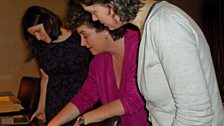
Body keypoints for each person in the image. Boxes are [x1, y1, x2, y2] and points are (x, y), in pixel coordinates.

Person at [75, 0, 224, 125]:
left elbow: (196, 114)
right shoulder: (149, 26)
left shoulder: (165, 23)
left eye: (94, 11)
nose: (94, 18)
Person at [47, 4, 150, 126]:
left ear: (105, 27)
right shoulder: (99, 60)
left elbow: (132, 100)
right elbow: (85, 97)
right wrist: (53, 124)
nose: (82, 43)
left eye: (85, 35)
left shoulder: (141, 46)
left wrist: (83, 119)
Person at [22, 6, 92, 126]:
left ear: (49, 20)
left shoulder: (79, 37)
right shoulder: (40, 48)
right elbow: (45, 79)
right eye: (34, 35)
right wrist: (41, 109)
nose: (38, 38)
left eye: (38, 31)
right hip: (54, 107)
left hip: (82, 103)